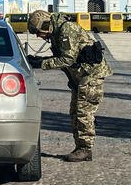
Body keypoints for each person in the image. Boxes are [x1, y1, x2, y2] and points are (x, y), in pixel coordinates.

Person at [26, 10, 112, 162]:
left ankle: (85, 149)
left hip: (91, 75)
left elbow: (67, 59)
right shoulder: (57, 32)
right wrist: (40, 59)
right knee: (74, 112)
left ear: (46, 24)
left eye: (39, 32)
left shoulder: (67, 29)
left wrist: (42, 63)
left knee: (83, 112)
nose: (39, 36)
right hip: (81, 77)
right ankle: (81, 147)